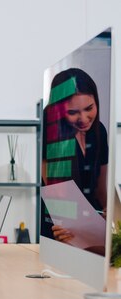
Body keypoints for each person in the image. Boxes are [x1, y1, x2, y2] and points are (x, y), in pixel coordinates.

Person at [41, 68, 108, 254]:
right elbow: (60, 201)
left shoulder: (99, 131)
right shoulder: (50, 134)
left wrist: (109, 217)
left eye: (89, 108)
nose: (84, 119)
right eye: (73, 112)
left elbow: (102, 192)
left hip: (91, 232)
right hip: (60, 230)